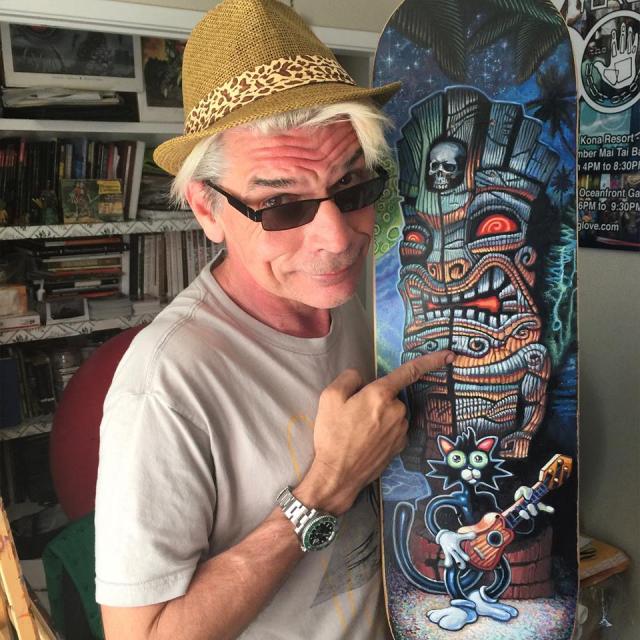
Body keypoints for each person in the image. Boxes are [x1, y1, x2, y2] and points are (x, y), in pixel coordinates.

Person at [94, 1, 455, 639]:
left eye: (352, 189)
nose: (337, 239)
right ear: (206, 209)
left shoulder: (364, 302)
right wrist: (326, 487)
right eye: (282, 206)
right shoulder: (165, 385)